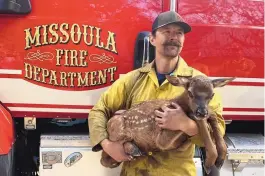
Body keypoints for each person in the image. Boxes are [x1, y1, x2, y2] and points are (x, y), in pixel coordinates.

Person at [88, 11, 226, 176]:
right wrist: (107, 145)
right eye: (166, 31)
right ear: (152, 39)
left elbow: (217, 132)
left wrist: (185, 125)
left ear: (183, 40)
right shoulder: (132, 80)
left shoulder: (200, 84)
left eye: (179, 33)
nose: (173, 37)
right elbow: (99, 111)